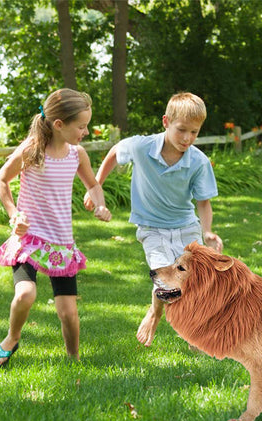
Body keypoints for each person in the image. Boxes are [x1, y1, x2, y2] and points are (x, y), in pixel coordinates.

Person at [84, 92, 222, 347]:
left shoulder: (199, 162)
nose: (187, 138)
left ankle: (194, 329)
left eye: (194, 132)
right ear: (166, 122)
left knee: (194, 281)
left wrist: (208, 232)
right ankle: (155, 313)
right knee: (166, 278)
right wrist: (96, 186)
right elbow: (115, 152)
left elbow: (203, 202)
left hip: (185, 226)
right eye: (182, 130)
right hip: (152, 228)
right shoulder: (141, 146)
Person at [0, 88, 112, 367]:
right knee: (25, 294)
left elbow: (93, 185)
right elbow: (1, 180)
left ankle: (73, 360)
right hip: (30, 239)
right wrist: (14, 215)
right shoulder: (31, 151)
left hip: (62, 244)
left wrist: (99, 204)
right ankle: (11, 340)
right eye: (82, 126)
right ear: (59, 125)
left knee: (69, 313)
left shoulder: (77, 154)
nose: (85, 131)